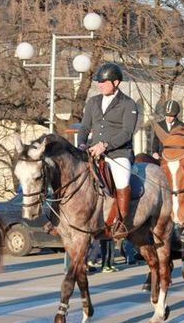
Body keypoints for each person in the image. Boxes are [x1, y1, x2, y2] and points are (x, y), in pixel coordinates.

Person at [77, 62, 138, 238]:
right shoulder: (93, 101)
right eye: (98, 81)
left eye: (103, 82)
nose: (99, 84)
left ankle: (121, 222)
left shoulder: (128, 104)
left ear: (116, 82)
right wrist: (81, 144)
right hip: (93, 152)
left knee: (121, 179)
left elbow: (127, 132)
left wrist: (104, 145)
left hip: (118, 154)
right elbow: (84, 127)